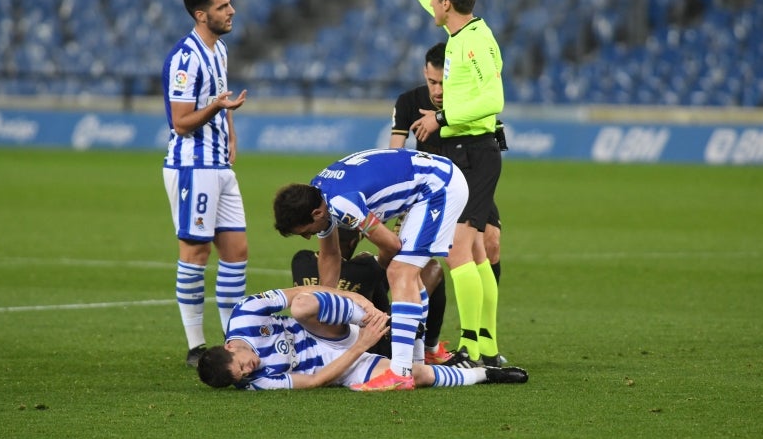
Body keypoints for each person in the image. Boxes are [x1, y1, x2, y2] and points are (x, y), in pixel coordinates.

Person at [273, 148, 474, 391]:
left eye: (306, 231)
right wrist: (326, 307)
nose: (307, 238)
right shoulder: (319, 194)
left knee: (400, 272)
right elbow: (330, 253)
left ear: (316, 214)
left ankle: (400, 374)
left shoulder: (341, 203)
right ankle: (417, 361)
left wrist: (384, 271)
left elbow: (391, 245)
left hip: (439, 187)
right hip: (428, 182)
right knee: (406, 274)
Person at [391, 0, 505, 368]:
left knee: (460, 253)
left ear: (448, 5)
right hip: (471, 151)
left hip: (473, 151)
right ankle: (484, 348)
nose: (431, 5)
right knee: (473, 254)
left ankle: (476, 348)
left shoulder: (472, 45)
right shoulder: (466, 32)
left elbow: (494, 99)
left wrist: (442, 116)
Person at [196, 284, 528, 390]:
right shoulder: (255, 383)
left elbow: (301, 289)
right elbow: (314, 382)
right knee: (415, 376)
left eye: (242, 365)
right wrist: (361, 346)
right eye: (243, 376)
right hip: (337, 363)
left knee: (301, 306)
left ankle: (382, 319)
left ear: (229, 347)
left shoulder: (246, 312)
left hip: (325, 327)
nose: (250, 370)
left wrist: (358, 301)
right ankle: (485, 373)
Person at [162, 0, 249, 367]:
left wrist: (230, 132)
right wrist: (217, 110)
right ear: (201, 15)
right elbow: (181, 122)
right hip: (192, 165)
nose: (231, 10)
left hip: (219, 164)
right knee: (196, 253)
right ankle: (196, 345)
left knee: (236, 252)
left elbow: (221, 97)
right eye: (222, 6)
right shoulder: (185, 58)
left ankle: (233, 340)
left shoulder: (221, 50)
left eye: (229, 3)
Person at [290, 227, 446, 359]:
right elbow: (384, 303)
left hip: (308, 344)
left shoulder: (300, 260)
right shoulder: (367, 267)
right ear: (353, 242)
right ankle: (430, 348)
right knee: (432, 268)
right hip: (363, 348)